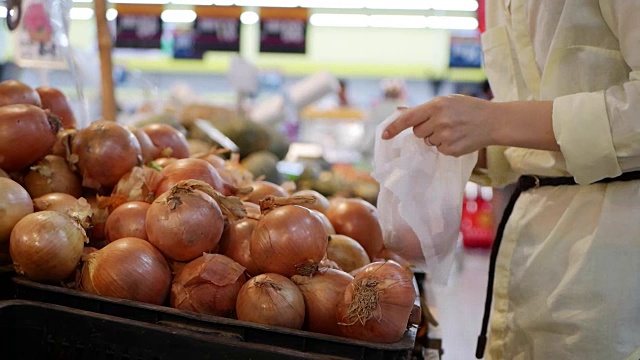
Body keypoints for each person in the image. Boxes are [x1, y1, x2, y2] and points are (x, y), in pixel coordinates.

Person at [382, 1, 640, 359]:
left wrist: (493, 122)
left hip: (616, 259)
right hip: (529, 254)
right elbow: (534, 133)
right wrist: (457, 143)